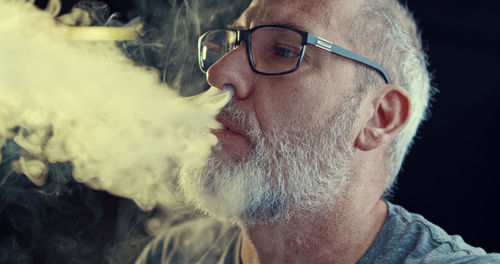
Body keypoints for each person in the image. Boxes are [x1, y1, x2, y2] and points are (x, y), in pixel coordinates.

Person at [139, 0, 500, 263]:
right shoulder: (172, 255)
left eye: (283, 50)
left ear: (378, 117)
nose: (219, 74)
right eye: (234, 44)